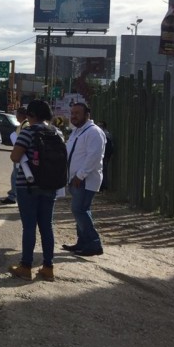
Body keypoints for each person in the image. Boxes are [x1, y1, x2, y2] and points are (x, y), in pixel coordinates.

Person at [9, 99, 63, 281]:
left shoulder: (28, 132)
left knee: (29, 226)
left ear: (31, 115)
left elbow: (15, 157)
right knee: (47, 226)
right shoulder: (58, 133)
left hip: (28, 187)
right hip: (50, 185)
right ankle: (48, 267)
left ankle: (26, 266)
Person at [62, 103, 106, 257]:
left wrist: (80, 175)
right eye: (72, 113)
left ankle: (94, 243)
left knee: (79, 210)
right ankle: (82, 243)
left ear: (87, 114)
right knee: (81, 211)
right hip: (75, 180)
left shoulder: (94, 132)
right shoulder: (77, 132)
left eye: (77, 113)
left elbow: (93, 156)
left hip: (84, 180)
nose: (73, 116)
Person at [1, 106, 28, 205]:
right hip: (20, 154)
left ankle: (13, 196)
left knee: (16, 177)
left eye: (17, 114)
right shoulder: (22, 124)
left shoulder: (25, 125)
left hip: (22, 156)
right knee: (15, 176)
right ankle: (14, 193)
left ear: (21, 115)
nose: (16, 116)